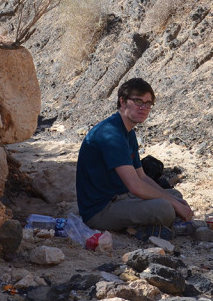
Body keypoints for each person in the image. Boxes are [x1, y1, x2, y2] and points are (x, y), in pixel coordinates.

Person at [76, 78, 194, 237]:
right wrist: (171, 203)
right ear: (122, 102)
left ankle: (150, 225)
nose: (144, 107)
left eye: (148, 103)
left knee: (175, 196)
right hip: (101, 211)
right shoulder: (111, 133)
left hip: (121, 197)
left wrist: (172, 200)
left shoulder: (128, 132)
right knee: (165, 208)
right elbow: (135, 186)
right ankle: (142, 229)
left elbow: (142, 176)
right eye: (138, 101)